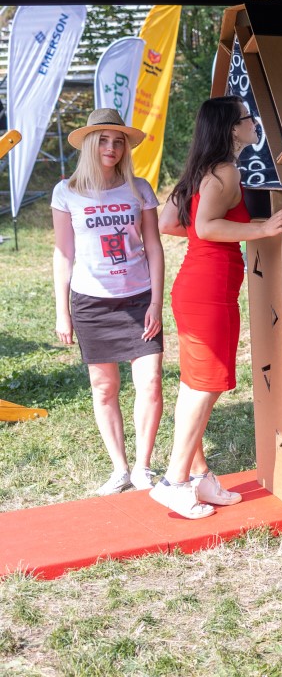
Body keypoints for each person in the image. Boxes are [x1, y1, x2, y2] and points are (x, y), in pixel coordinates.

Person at [153, 95, 282, 519]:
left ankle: (199, 476)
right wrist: (261, 229)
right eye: (248, 118)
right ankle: (174, 482)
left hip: (198, 288)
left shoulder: (204, 170)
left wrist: (245, 227)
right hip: (208, 292)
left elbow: (169, 223)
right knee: (205, 387)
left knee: (196, 386)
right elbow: (206, 225)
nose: (254, 123)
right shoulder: (225, 172)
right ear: (233, 129)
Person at [51, 109, 164, 495]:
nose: (112, 148)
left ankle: (143, 467)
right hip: (91, 303)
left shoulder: (139, 188)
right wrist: (62, 312)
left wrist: (156, 302)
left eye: (118, 141)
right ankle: (120, 469)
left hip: (138, 300)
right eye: (103, 140)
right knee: (104, 387)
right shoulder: (66, 191)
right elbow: (63, 254)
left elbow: (154, 247)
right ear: (88, 144)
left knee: (151, 383)